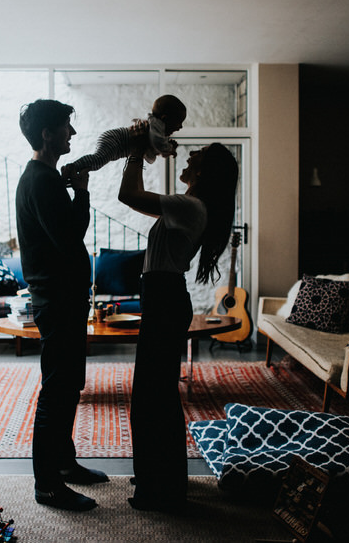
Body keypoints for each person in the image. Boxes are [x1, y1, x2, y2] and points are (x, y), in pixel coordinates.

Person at [118, 141, 239, 512]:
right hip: (163, 297)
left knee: (152, 398)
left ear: (205, 171)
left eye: (197, 154)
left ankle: (162, 487)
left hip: (165, 298)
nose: (189, 156)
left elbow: (128, 195)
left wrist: (136, 150)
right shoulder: (187, 206)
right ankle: (160, 477)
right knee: (155, 396)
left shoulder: (190, 207)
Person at [16, 99, 108, 512]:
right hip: (57, 300)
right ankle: (48, 485)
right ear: (47, 133)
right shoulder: (41, 180)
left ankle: (65, 464)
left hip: (62, 298)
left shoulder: (45, 178)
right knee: (57, 390)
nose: (72, 133)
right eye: (66, 126)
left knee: (69, 384)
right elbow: (70, 236)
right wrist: (83, 193)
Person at [63, 94, 187, 176]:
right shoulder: (156, 125)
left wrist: (167, 149)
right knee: (98, 159)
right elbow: (158, 143)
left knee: (96, 163)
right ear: (165, 118)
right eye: (178, 123)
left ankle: (75, 170)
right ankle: (72, 167)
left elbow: (154, 149)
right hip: (116, 139)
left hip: (116, 142)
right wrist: (169, 149)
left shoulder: (156, 129)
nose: (180, 127)